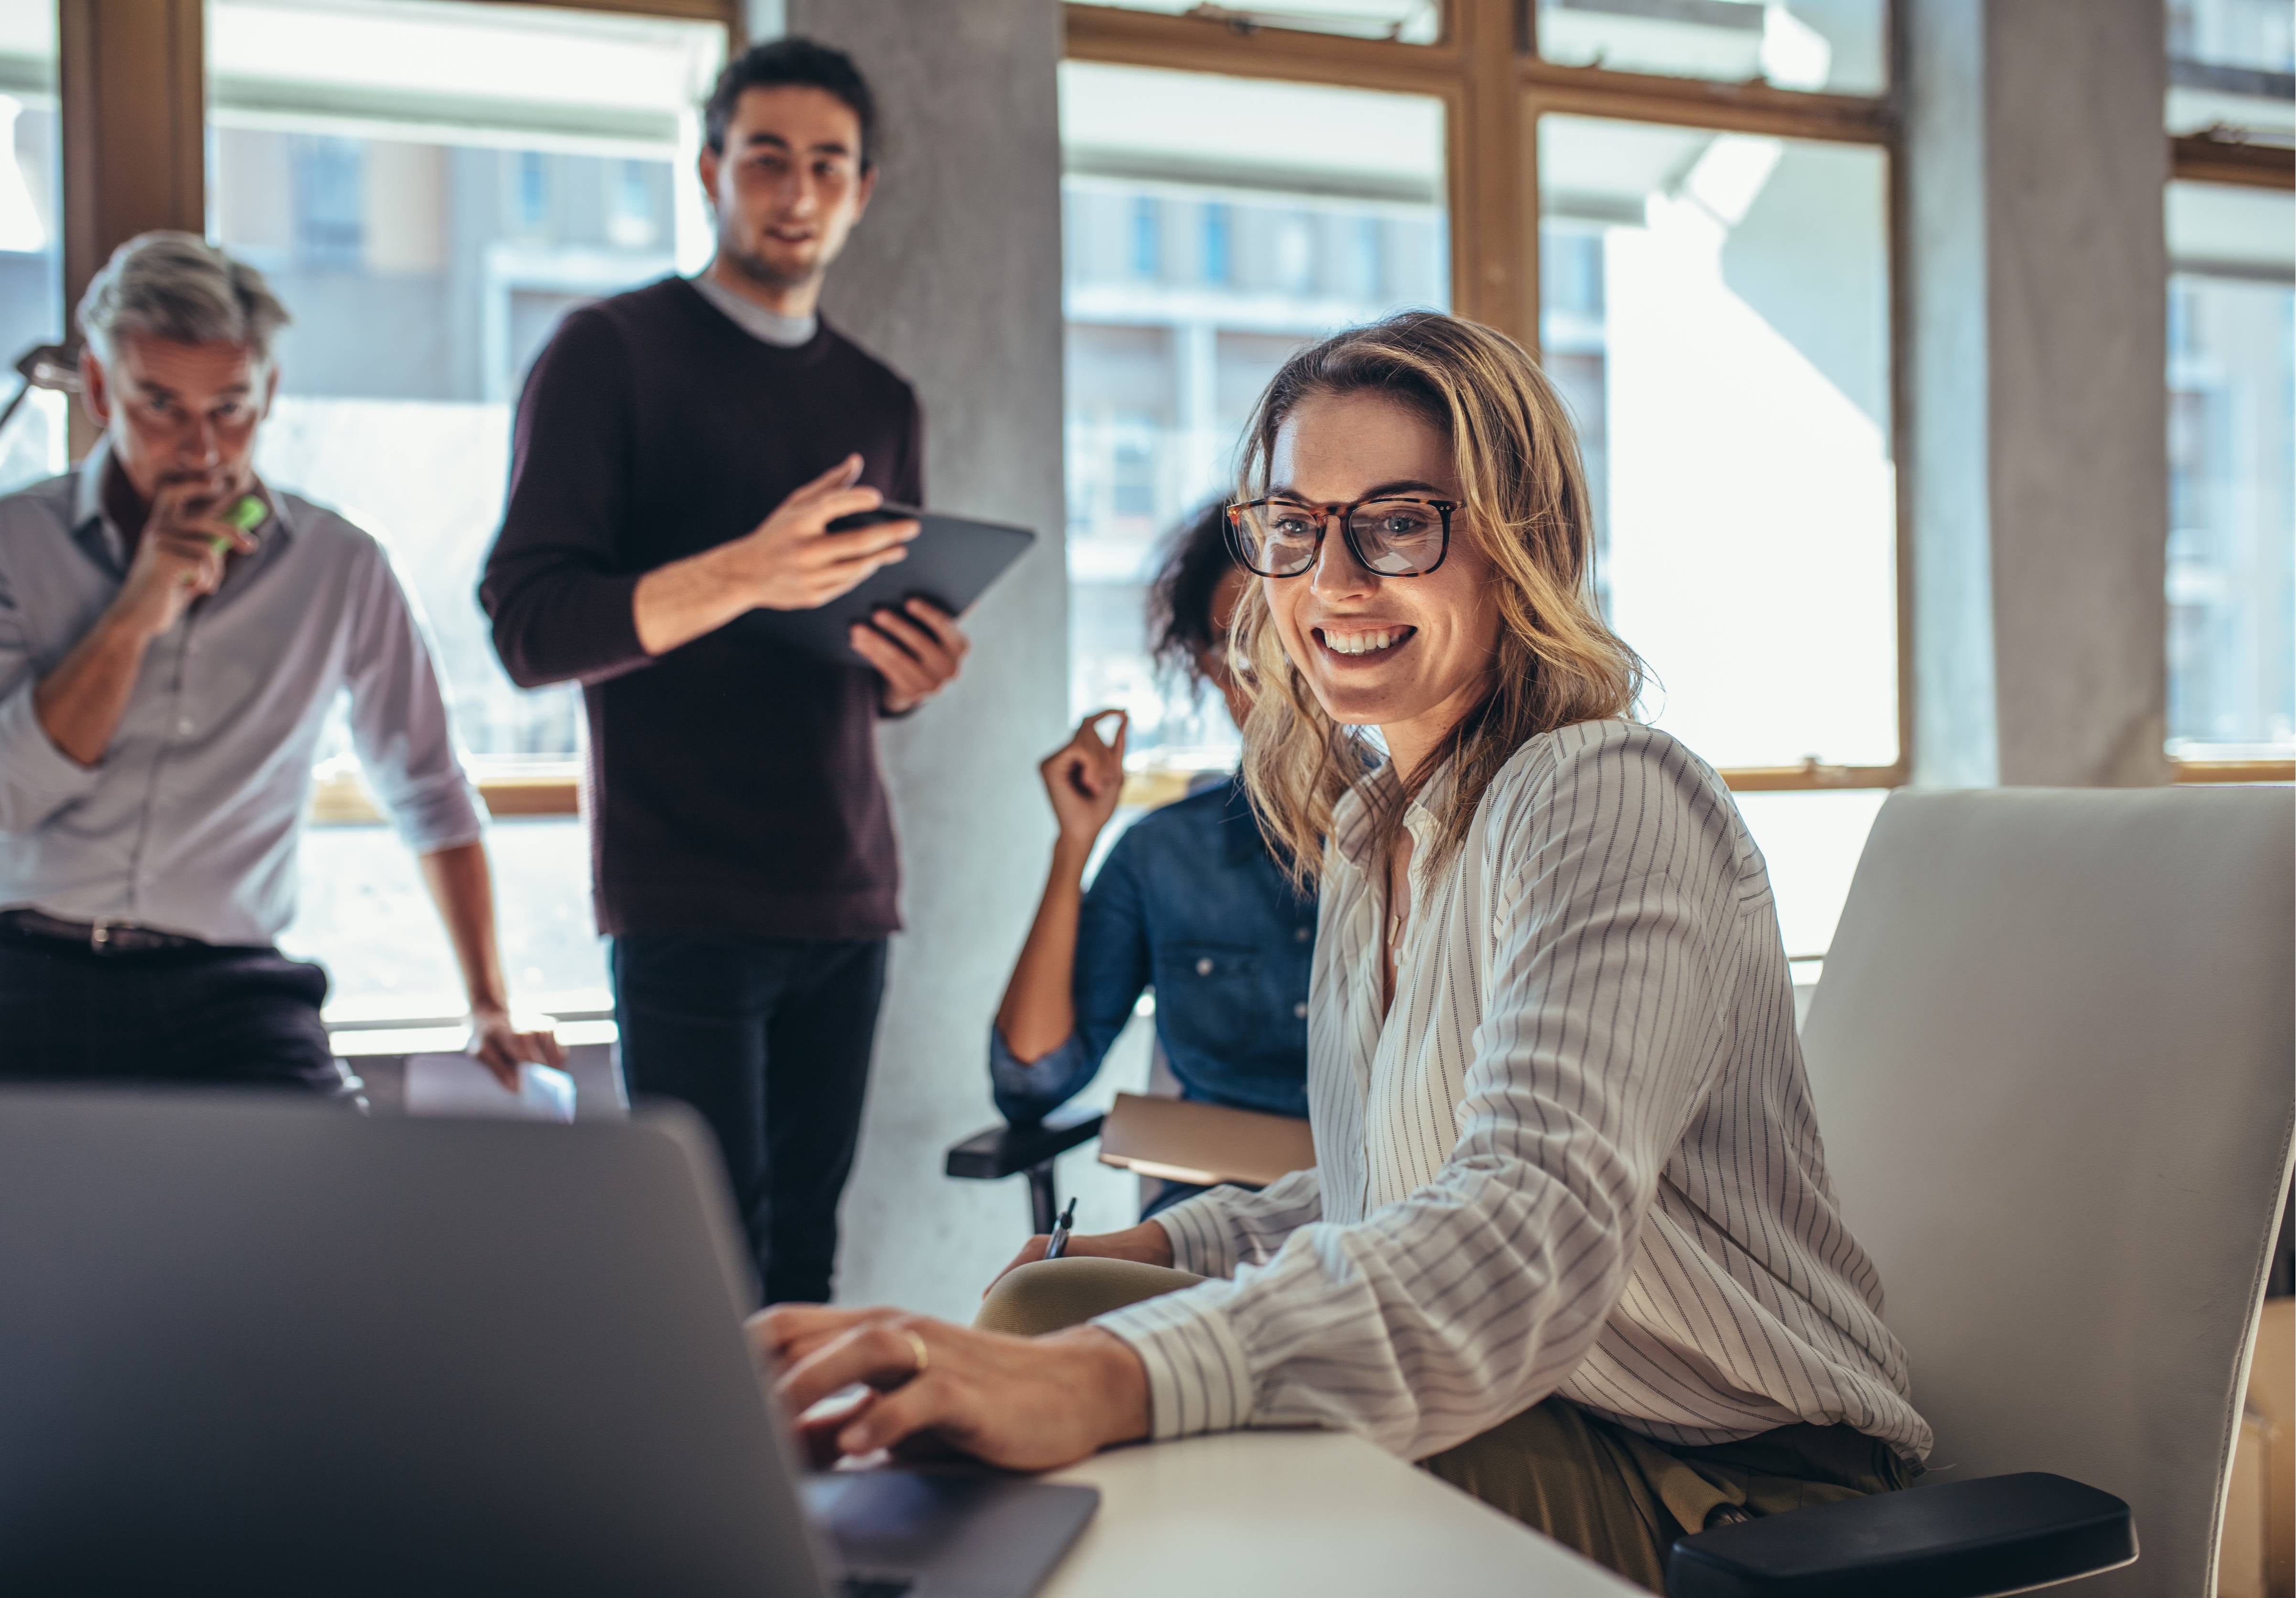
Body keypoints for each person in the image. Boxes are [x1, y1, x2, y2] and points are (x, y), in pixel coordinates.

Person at [752, 312, 1929, 1593]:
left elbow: (1521, 1226)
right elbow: (1390, 1182)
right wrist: (1168, 1250)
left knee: (1162, 1439)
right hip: (1549, 1408)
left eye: (1400, 521)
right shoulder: (1374, 834)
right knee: (1049, 1305)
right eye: (1296, 525)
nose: (1333, 581)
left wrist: (1113, 1374)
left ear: (1521, 541)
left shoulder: (1609, 792)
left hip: (1725, 1474)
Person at [478, 38, 966, 1306]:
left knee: (806, 1265)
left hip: (847, 886)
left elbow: (853, 649)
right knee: (707, 1273)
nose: (796, 192)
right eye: (766, 158)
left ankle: (803, 1514)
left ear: (863, 190)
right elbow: (530, 625)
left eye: (826, 166)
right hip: (681, 887)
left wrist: (909, 669)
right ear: (709, 169)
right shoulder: (609, 352)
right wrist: (745, 568)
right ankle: (712, 1512)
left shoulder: (882, 395)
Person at [0, 232, 559, 1096]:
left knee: (325, 1213)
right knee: (30, 1232)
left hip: (228, 983)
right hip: (20, 965)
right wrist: (134, 614)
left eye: (231, 408)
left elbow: (428, 787)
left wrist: (490, 1002)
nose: (202, 449)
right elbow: (1, 796)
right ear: (102, 389)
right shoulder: (2, 543)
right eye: (161, 406)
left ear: (270, 393)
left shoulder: (341, 565)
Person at [989, 502, 1311, 1215]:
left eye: (1290, 640)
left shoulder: (1432, 835)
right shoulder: (1164, 854)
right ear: (1205, 666)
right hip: (1205, 1224)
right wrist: (1073, 843)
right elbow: (1031, 1078)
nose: (1272, 678)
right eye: (1239, 651)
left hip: (1387, 1224)